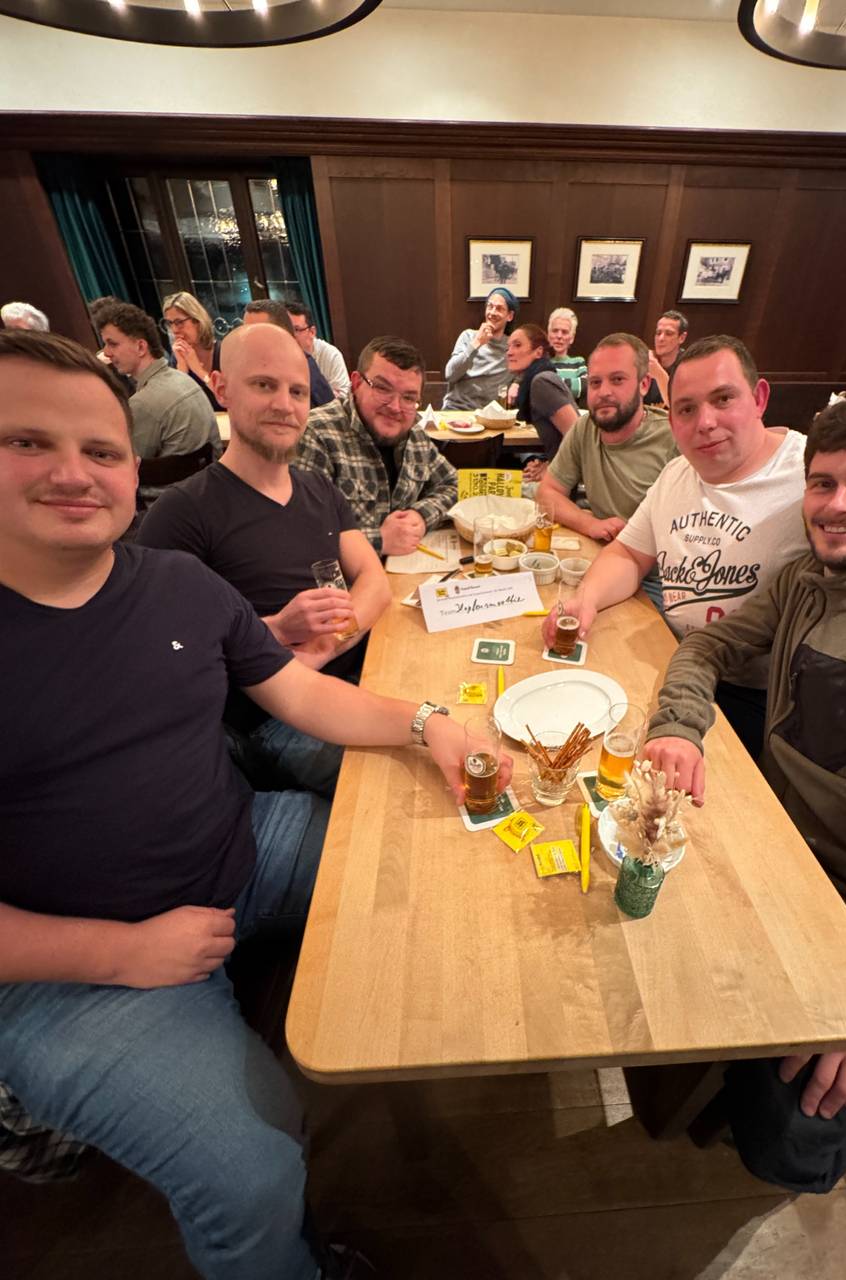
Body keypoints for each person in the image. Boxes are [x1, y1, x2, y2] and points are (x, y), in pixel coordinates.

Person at [0, 328, 510, 1279]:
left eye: (101, 449)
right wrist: (121, 951)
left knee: (430, 858)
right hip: (70, 966)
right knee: (253, 1167)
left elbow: (303, 695)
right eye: (27, 442)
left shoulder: (179, 585)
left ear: (132, 466)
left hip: (245, 846)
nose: (73, 472)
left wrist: (429, 722)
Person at [641, 386, 846, 1194]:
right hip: (783, 848)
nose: (837, 504)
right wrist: (678, 725)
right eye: (823, 483)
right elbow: (707, 650)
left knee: (790, 1132)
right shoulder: (801, 581)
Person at [545, 336, 846, 758]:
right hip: (682, 663)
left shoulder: (822, 476)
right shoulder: (676, 474)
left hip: (767, 699)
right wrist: (586, 599)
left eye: (723, 399)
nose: (705, 422)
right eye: (686, 408)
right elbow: (629, 553)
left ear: (759, 399)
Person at [139, 323, 390, 794]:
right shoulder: (181, 512)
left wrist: (324, 648)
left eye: (297, 391)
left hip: (356, 672)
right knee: (393, 782)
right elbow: (163, 656)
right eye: (263, 385)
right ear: (221, 389)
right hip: (271, 720)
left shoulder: (319, 488)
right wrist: (271, 634)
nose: (284, 405)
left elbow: (375, 580)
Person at [295, 335, 458, 556]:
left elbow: (453, 484)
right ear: (356, 383)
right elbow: (303, 537)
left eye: (409, 398)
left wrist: (420, 516)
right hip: (347, 576)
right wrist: (379, 539)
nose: (395, 407)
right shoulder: (316, 434)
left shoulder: (414, 434)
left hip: (408, 569)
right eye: (382, 388)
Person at [536, 332, 675, 546]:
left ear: (644, 384)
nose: (603, 392)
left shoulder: (673, 438)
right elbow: (547, 493)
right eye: (595, 382)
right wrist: (590, 524)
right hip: (605, 554)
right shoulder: (585, 428)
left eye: (617, 380)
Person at [97, 300, 220, 466]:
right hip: (208, 475)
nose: (106, 352)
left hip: (178, 482)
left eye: (112, 344)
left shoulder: (142, 403)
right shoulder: (185, 380)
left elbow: (128, 465)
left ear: (141, 347)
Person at [506, 323, 579, 484]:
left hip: (570, 480)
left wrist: (550, 468)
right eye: (508, 347)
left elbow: (578, 437)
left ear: (538, 352)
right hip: (563, 472)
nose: (509, 352)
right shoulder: (535, 380)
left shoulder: (542, 382)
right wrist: (545, 462)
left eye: (517, 345)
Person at [242, 300, 334, 410]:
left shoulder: (302, 364)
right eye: (245, 331)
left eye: (256, 332)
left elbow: (330, 411)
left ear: (282, 333)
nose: (247, 339)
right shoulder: (246, 364)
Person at [443, 286, 517, 410]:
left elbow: (531, 365)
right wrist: (476, 343)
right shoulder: (468, 336)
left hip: (490, 415)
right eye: (490, 306)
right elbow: (450, 374)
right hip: (457, 409)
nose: (492, 312)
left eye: (499, 309)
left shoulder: (512, 347)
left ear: (510, 316)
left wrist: (517, 383)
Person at [162, 290, 224, 411]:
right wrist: (182, 371)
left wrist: (199, 370)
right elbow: (176, 408)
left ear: (197, 321)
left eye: (179, 322)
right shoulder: (177, 357)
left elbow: (230, 398)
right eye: (169, 323)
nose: (174, 330)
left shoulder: (222, 351)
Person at [286, 302, 350, 400]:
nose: (290, 335)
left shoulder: (330, 354)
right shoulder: (278, 355)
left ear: (312, 332)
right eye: (286, 329)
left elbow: (344, 398)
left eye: (296, 329)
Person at [644, 309, 689, 407]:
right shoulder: (647, 359)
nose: (661, 338)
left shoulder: (688, 366)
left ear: (682, 338)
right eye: (658, 333)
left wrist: (658, 373)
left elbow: (678, 405)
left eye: (668, 334)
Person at [547, 306, 588, 403]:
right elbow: (543, 390)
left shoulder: (578, 362)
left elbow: (585, 386)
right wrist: (573, 383)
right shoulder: (541, 363)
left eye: (564, 332)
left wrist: (552, 383)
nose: (559, 336)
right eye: (555, 331)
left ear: (572, 338)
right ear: (548, 335)